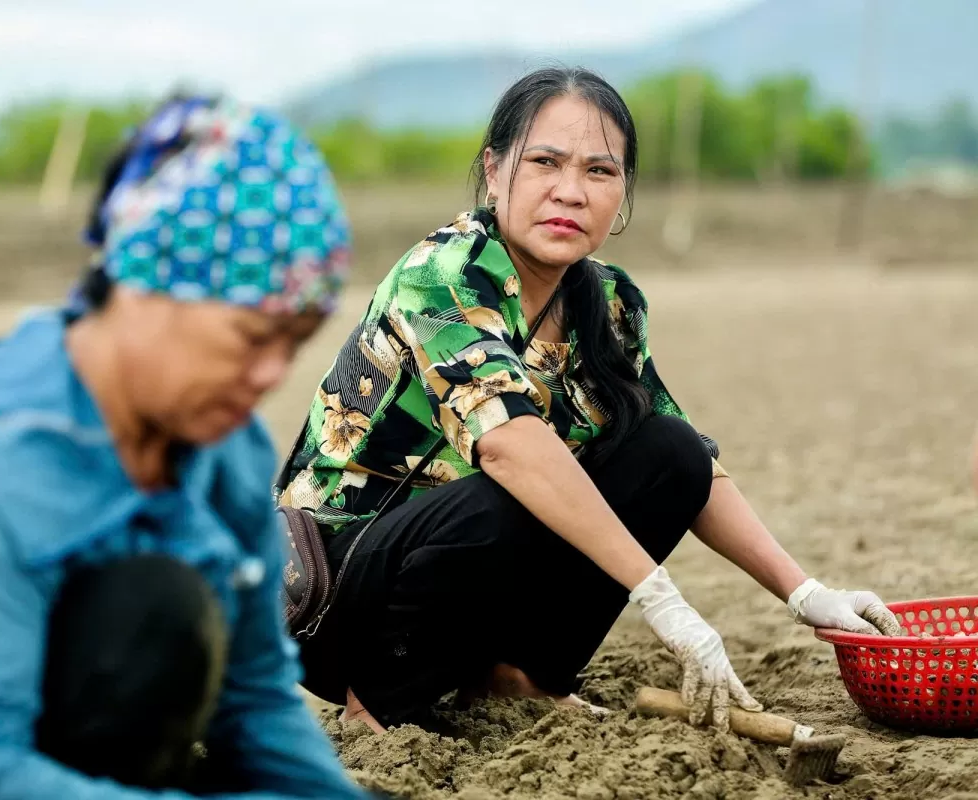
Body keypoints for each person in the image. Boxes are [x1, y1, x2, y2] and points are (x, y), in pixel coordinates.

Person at [275, 67, 904, 736]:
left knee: (671, 455)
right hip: (337, 598)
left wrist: (805, 592)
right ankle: (380, 701)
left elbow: (680, 451)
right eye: (545, 162)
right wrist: (660, 597)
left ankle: (521, 675)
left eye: (600, 172)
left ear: (624, 191)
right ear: (495, 170)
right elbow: (511, 445)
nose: (570, 192)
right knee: (512, 486)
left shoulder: (609, 303)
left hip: (465, 573)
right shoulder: (445, 274)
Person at [0, 95, 368, 799]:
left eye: (296, 344)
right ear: (143, 288)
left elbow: (256, 696)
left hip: (41, 751)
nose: (273, 375)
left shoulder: (222, 450)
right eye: (252, 337)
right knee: (151, 607)